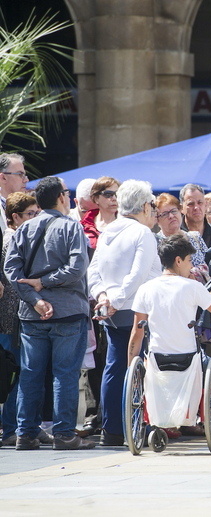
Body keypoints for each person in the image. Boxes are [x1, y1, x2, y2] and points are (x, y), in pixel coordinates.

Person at [4, 177, 94, 450]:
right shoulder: (70, 227)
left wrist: (35, 299)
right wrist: (45, 285)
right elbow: (77, 267)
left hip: (32, 314)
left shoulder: (25, 228)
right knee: (65, 374)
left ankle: (25, 433)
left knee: (31, 373)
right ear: (61, 197)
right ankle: (65, 433)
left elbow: (12, 272)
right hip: (67, 312)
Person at [88, 180, 161, 446]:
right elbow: (138, 274)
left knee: (114, 366)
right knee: (139, 366)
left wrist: (104, 296)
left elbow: (93, 271)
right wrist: (114, 299)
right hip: (136, 309)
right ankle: (141, 424)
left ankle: (113, 429)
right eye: (152, 205)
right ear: (143, 205)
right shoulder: (142, 233)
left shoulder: (109, 231)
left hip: (113, 308)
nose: (153, 210)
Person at [128, 234, 211, 428]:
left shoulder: (145, 289)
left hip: (156, 359)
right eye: (190, 261)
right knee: (210, 361)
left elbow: (137, 333)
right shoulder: (192, 287)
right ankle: (199, 420)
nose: (191, 267)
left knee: (148, 357)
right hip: (189, 358)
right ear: (178, 260)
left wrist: (130, 368)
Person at [0, 193, 42, 447]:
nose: (35, 219)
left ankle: (27, 426)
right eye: (30, 214)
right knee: (19, 373)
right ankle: (12, 428)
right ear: (15, 217)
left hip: (20, 315)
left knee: (25, 371)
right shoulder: (13, 238)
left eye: (37, 213)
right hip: (13, 318)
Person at [155, 193, 208, 271]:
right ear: (157, 220)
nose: (171, 216)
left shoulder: (195, 237)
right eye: (165, 214)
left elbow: (210, 268)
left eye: (173, 211)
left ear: (180, 211)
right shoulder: (156, 243)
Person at [179, 184, 211, 248]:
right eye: (191, 204)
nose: (196, 207)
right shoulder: (175, 234)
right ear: (181, 208)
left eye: (200, 202)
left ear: (206, 205)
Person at [80, 176, 120, 251]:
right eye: (108, 194)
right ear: (96, 198)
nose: (114, 198)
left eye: (117, 194)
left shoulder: (127, 223)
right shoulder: (82, 227)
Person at [0, 153, 29, 234]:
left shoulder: (31, 208)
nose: (26, 180)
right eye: (20, 174)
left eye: (25, 175)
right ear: (3, 178)